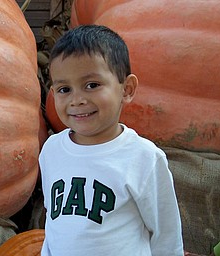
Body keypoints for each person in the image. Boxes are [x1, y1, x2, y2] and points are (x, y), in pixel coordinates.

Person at [39, 24, 184, 256]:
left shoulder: (144, 157)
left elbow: (166, 234)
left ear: (126, 89)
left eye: (92, 85)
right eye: (64, 89)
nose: (76, 100)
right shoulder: (51, 150)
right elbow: (55, 225)